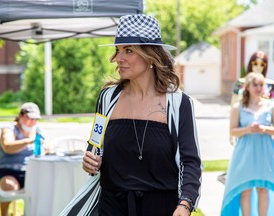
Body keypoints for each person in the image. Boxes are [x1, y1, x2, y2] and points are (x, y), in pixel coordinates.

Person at [81, 14, 202, 216]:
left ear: (150, 56)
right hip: (111, 206)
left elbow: (190, 161)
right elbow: (95, 145)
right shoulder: (107, 97)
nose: (119, 58)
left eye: (128, 50)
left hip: (161, 207)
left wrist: (185, 203)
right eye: (118, 50)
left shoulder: (178, 103)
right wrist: (91, 161)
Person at [221, 72, 274, 216]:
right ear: (248, 87)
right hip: (245, 152)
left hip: (265, 151)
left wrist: (264, 129)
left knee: (263, 188)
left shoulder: (270, 106)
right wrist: (247, 129)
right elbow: (232, 131)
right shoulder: (238, 107)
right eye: (255, 84)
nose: (258, 87)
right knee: (246, 188)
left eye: (261, 85)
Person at [0, 102, 47, 216]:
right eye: (29, 118)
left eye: (35, 119)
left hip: (30, 171)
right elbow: (8, 147)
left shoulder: (38, 129)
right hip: (8, 171)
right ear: (20, 116)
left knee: (46, 185)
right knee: (10, 187)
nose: (33, 122)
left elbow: (44, 149)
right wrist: (29, 140)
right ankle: (4, 214)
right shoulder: (9, 128)